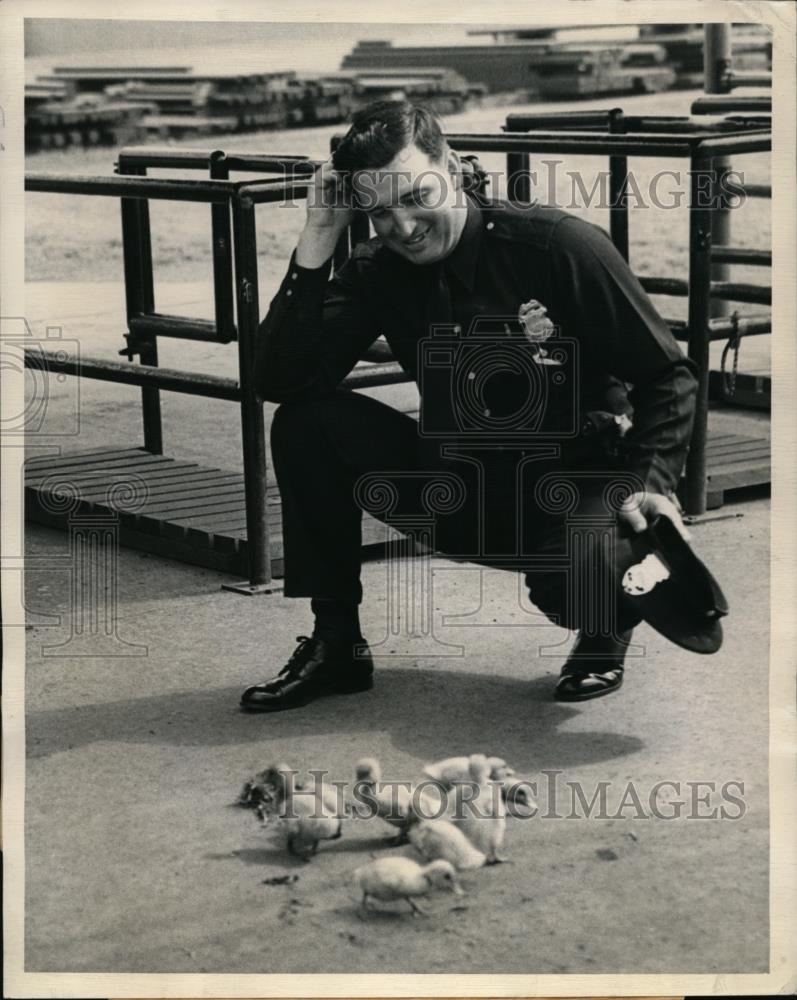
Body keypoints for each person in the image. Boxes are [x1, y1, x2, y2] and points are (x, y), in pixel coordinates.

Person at [240, 100, 698, 713]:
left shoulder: (557, 248)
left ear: (451, 166)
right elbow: (283, 378)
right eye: (378, 211)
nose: (403, 226)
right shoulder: (377, 270)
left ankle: (603, 625)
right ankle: (337, 646)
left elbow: (668, 376)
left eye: (414, 195)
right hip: (460, 490)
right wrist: (319, 236)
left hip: (575, 490)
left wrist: (648, 484)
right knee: (306, 424)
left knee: (582, 582)